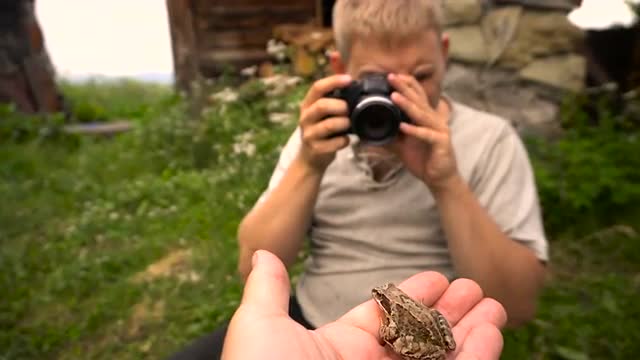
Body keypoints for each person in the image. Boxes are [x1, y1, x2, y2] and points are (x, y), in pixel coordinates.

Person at [169, 0, 548, 358]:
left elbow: (516, 304)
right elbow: (252, 267)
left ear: (444, 54)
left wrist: (446, 182)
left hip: (432, 326)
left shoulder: (489, 139)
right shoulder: (321, 135)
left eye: (421, 77)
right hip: (310, 326)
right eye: (378, 82)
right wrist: (309, 164)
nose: (399, 99)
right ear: (340, 70)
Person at [220, 249, 507, 360]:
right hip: (433, 327)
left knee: (402, 341)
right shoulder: (404, 301)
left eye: (383, 297)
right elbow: (430, 315)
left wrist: (388, 327)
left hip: (420, 336)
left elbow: (387, 338)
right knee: (435, 315)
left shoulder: (391, 315)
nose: (378, 297)